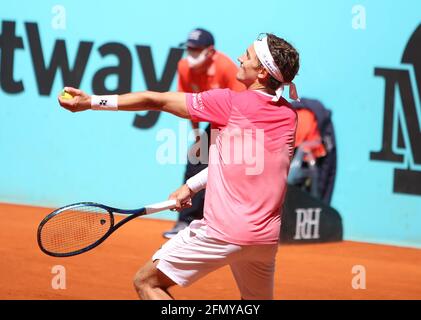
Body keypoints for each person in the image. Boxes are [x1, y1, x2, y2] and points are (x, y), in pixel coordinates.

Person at [58, 32, 300, 300]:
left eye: (248, 56)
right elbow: (239, 163)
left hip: (223, 232)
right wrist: (191, 185)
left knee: (147, 283)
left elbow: (155, 100)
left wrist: (90, 102)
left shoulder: (229, 102)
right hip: (264, 240)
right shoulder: (289, 116)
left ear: (263, 73)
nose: (240, 59)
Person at [163, 28, 246, 239]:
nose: (191, 53)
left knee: (228, 169)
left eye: (196, 49)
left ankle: (221, 223)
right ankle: (186, 221)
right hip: (213, 121)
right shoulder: (183, 67)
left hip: (237, 124)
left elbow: (243, 108)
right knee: (196, 160)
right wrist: (198, 135)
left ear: (210, 52)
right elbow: (187, 106)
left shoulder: (227, 68)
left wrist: (231, 142)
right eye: (189, 48)